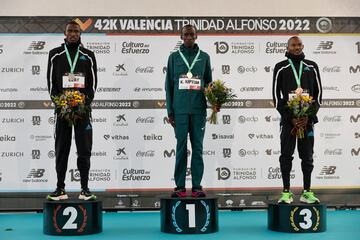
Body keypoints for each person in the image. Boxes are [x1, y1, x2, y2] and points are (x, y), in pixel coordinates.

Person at [46, 21, 97, 201]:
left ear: (80, 34)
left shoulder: (88, 55)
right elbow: (51, 85)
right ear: (65, 33)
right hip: (62, 112)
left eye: (76, 31)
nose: (73, 34)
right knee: (61, 149)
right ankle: (60, 188)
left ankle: (85, 188)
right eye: (70, 31)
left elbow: (93, 85)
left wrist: (83, 103)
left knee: (84, 150)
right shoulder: (55, 55)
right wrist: (63, 105)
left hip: (83, 111)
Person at [272, 36, 322, 204]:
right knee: (286, 156)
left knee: (307, 156)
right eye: (293, 45)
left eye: (299, 44)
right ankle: (286, 192)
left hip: (307, 121)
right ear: (287, 47)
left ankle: (307, 192)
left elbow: (319, 94)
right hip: (288, 123)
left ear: (303, 46)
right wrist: (289, 118)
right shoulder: (280, 67)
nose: (297, 47)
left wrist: (308, 116)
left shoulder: (312, 66)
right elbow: (276, 96)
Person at [165, 24, 213, 198]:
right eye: (186, 35)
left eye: (192, 34)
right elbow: (169, 86)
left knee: (198, 148)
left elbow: (209, 84)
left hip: (199, 110)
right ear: (181, 36)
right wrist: (170, 111)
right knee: (181, 147)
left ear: (197, 36)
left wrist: (214, 101)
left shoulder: (205, 57)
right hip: (179, 111)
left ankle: (197, 186)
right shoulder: (174, 57)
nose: (189, 37)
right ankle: (179, 186)